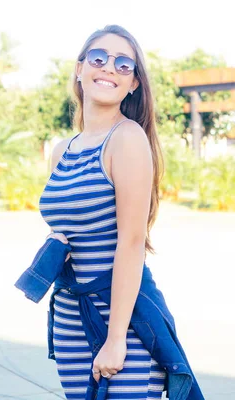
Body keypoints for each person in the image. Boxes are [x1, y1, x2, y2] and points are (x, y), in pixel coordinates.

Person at [39, 24, 166, 399]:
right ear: (80, 69)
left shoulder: (126, 139)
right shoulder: (63, 150)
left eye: (123, 64)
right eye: (99, 58)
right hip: (69, 317)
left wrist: (115, 340)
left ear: (133, 84)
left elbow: (130, 243)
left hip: (120, 322)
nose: (109, 67)